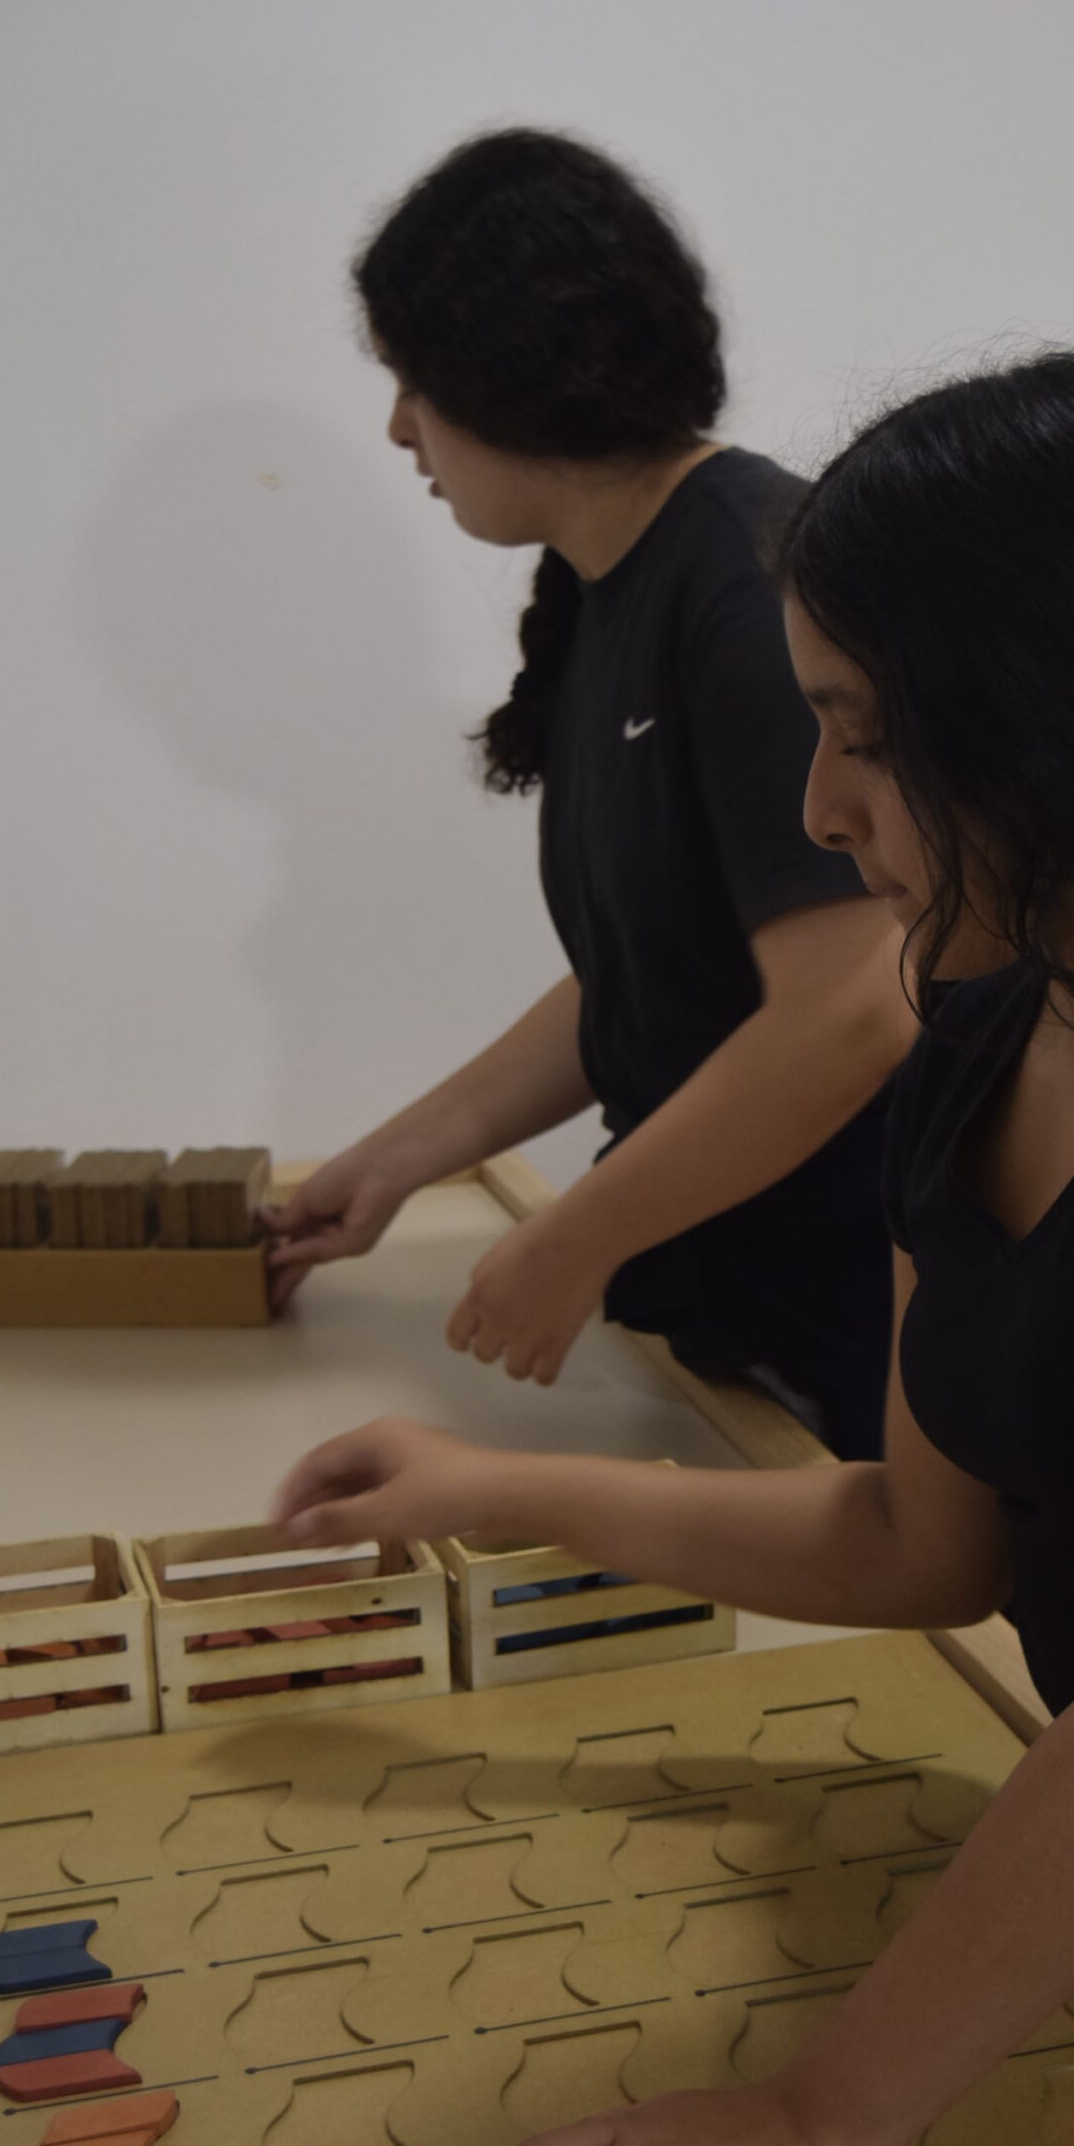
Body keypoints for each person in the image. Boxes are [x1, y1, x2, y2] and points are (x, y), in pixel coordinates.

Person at [271, 351, 1074, 2146]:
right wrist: (489, 1487)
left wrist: (811, 2118)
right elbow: (917, 1541)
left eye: (861, 735)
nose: (819, 807)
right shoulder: (985, 1023)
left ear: (1060, 718)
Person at [265, 130, 907, 1458]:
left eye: (409, 380)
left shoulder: (746, 585)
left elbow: (857, 1004)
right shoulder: (613, 585)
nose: (398, 427)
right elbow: (656, 970)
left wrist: (578, 1236)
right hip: (727, 1319)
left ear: (506, 368)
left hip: (846, 1344)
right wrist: (396, 1160)